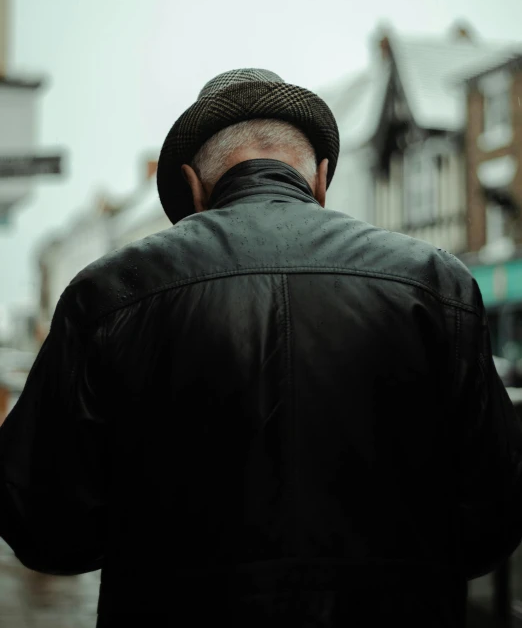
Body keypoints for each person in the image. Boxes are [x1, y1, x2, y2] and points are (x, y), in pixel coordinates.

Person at [1, 67, 522, 628]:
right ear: (321, 179)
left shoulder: (107, 295)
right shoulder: (436, 284)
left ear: (194, 187)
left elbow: (43, 527)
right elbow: (492, 520)